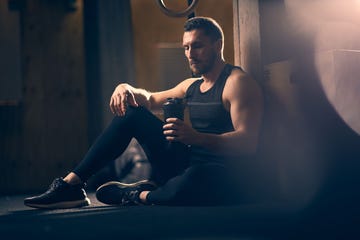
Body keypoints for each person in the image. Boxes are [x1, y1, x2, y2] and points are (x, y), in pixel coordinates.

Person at [24, 16, 263, 208]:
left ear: (218, 45)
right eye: (186, 47)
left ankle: (138, 195)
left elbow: (248, 143)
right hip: (186, 165)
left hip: (221, 174)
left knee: (194, 179)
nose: (190, 54)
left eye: (197, 46)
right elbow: (148, 99)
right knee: (132, 113)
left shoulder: (237, 83)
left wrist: (197, 138)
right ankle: (72, 185)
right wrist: (125, 87)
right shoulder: (190, 86)